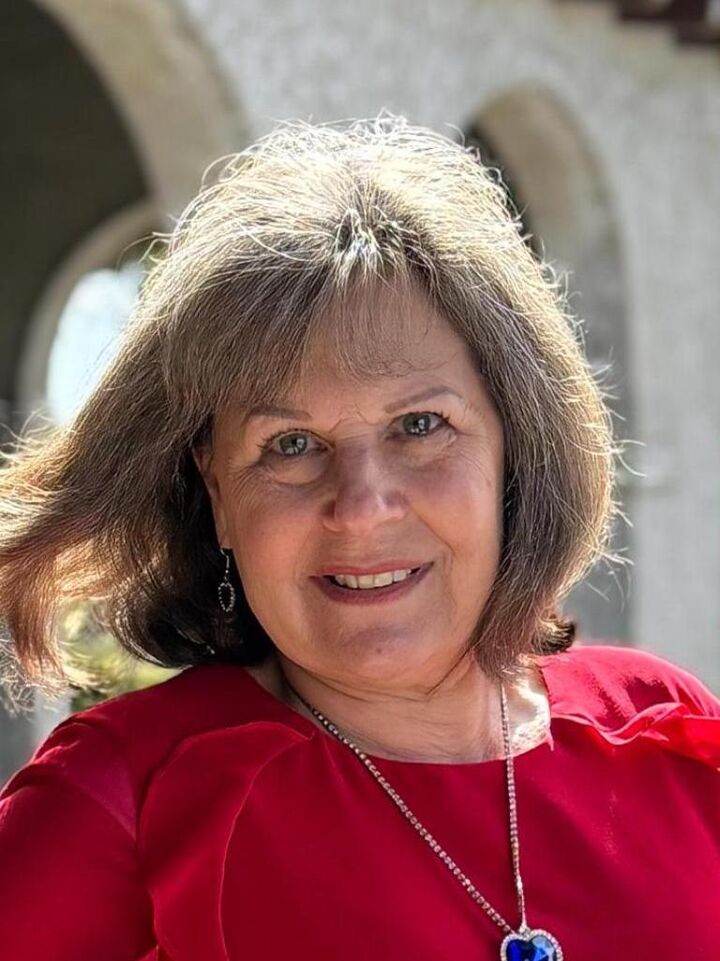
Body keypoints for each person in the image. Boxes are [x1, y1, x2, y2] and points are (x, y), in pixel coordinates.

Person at [0, 113, 718, 961]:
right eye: (290, 444)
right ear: (217, 492)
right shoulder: (123, 797)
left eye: (420, 424)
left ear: (515, 449)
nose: (363, 505)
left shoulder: (671, 735)